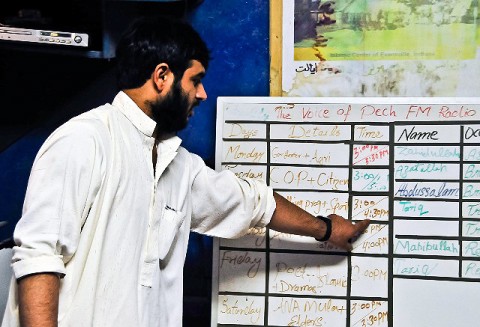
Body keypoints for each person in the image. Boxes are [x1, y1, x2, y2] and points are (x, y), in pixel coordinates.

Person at [1, 15, 370, 327]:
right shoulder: (84, 140)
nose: (203, 94)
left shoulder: (178, 165)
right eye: (196, 80)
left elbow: (254, 203)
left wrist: (325, 228)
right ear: (162, 76)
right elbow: (39, 259)